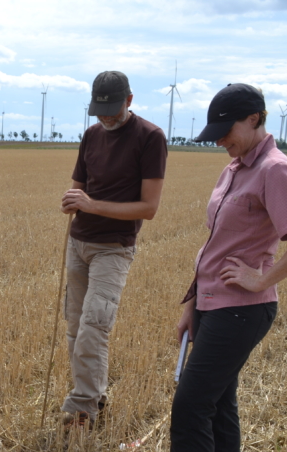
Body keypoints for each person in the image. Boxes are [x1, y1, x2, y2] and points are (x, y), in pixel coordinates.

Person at [152, 84, 287, 452]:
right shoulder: (234, 169)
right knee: (218, 406)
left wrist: (261, 276)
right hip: (211, 304)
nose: (223, 140)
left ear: (257, 119)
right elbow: (214, 248)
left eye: (228, 131)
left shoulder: (275, 169)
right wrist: (190, 305)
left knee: (190, 408)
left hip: (243, 309)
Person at [60, 71, 167, 429]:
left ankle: (83, 408)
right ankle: (94, 396)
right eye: (98, 110)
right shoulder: (90, 136)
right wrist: (73, 200)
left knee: (95, 325)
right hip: (79, 243)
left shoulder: (150, 137)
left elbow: (148, 208)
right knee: (76, 329)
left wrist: (91, 205)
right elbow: (80, 185)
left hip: (114, 248)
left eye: (112, 109)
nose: (105, 116)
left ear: (130, 100)